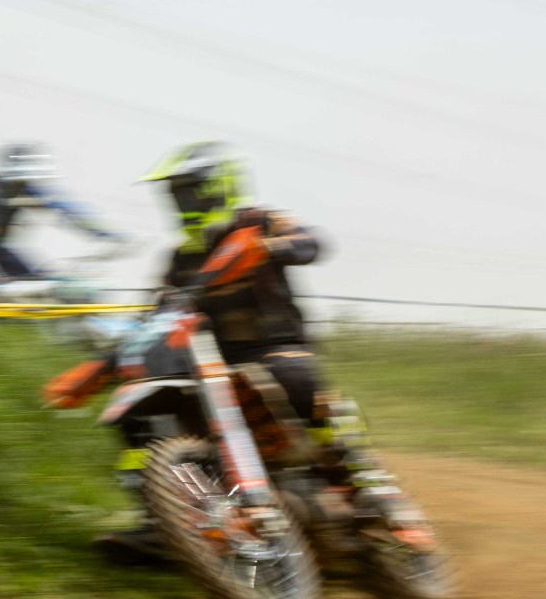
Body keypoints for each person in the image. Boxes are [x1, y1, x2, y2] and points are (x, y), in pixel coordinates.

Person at [98, 141, 418, 561]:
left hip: (275, 347)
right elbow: (156, 311)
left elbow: (312, 243)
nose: (181, 202)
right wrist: (115, 353)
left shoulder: (261, 222)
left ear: (219, 187)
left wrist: (272, 247)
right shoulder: (180, 258)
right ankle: (161, 518)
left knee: (293, 378)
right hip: (208, 363)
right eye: (176, 193)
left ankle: (359, 474)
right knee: (138, 413)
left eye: (189, 191)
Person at [0, 143, 125, 292]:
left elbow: (64, 205)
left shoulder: (22, 189)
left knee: (41, 282)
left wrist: (106, 232)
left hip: (0, 252)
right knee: (20, 291)